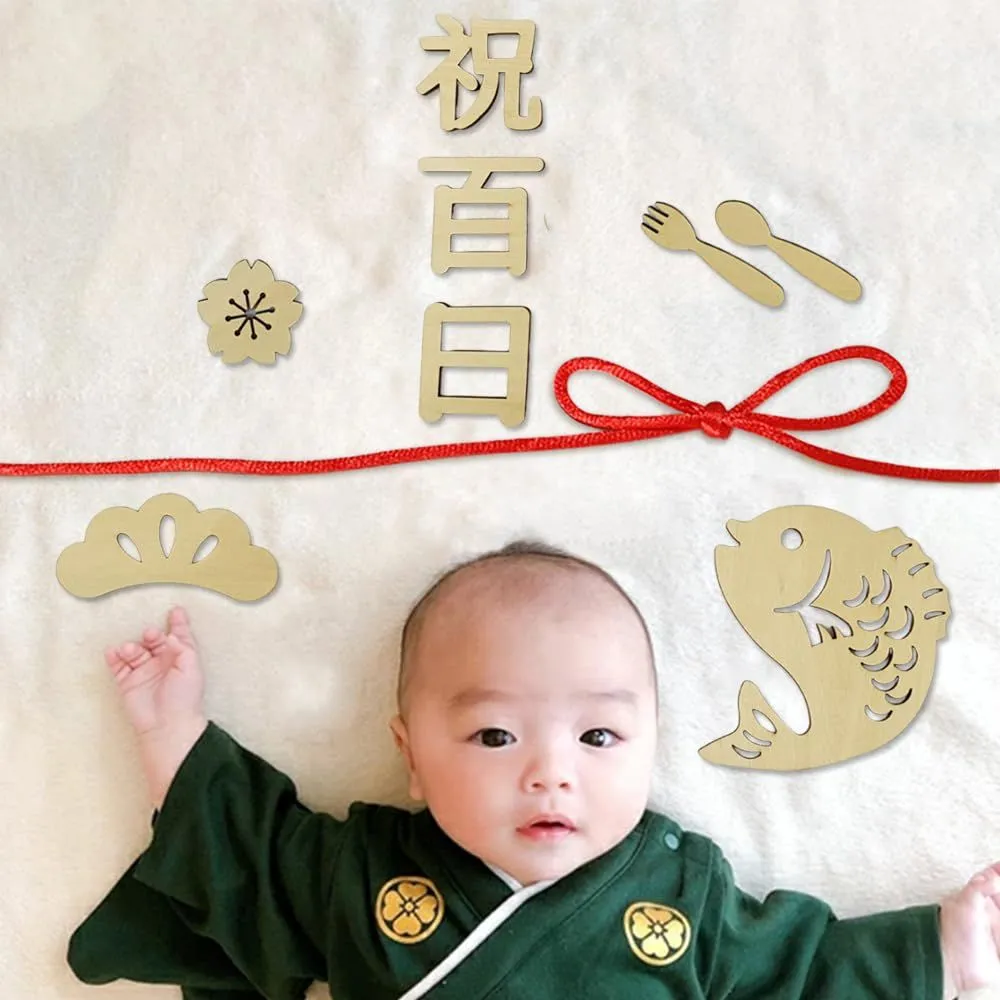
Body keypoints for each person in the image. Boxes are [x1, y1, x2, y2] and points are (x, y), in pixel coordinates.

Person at [67, 540, 1000, 1000]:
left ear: (650, 744)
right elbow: (246, 859)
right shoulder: (363, 872)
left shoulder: (685, 896)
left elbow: (800, 972)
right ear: (411, 757)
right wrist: (169, 729)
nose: (551, 774)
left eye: (598, 738)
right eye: (494, 737)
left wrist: (940, 952)